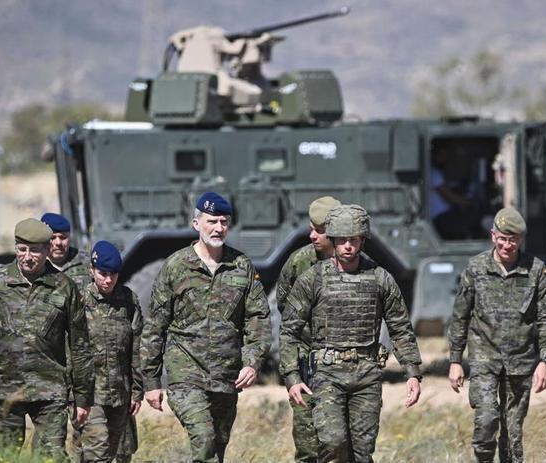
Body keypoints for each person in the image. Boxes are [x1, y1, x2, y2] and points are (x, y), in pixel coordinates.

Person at [280, 204, 423, 462]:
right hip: (327, 374)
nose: (348, 246)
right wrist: (292, 377)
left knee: (362, 451)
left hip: (366, 374)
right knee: (332, 442)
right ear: (333, 240)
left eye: (354, 240)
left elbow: (400, 327)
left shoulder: (380, 278)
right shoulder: (312, 279)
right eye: (342, 240)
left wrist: (412, 372)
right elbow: (289, 329)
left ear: (362, 240)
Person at [141, 192, 271, 463]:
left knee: (218, 448)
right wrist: (151, 382)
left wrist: (252, 363)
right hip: (186, 374)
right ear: (196, 224)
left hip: (226, 376)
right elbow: (155, 326)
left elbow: (257, 318)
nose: (218, 228)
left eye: (224, 222)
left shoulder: (241, 266)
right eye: (212, 221)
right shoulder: (176, 266)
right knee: (204, 439)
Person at [0, 218, 94, 457]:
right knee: (1, 456)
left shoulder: (64, 287)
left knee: (51, 457)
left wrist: (82, 397)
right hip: (2, 390)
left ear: (47, 250)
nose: (27, 257)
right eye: (22, 249)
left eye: (34, 251)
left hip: (50, 391)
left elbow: (80, 345)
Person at [447, 207, 546, 462]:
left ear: (522, 240)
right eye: (502, 238)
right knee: (487, 419)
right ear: (493, 236)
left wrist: (545, 360)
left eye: (513, 239)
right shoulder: (476, 268)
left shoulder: (536, 270)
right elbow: (460, 316)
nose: (507, 245)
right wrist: (455, 360)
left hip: (520, 360)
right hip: (484, 358)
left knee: (513, 432)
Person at [275, 195, 341, 463]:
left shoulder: (361, 265)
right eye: (311, 229)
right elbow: (284, 305)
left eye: (320, 231)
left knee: (343, 445)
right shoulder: (299, 262)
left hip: (344, 366)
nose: (312, 236)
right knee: (308, 446)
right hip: (307, 363)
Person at [71, 241, 144, 463]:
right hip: (89, 395)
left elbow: (137, 348)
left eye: (113, 274)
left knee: (112, 453)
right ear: (91, 270)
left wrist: (137, 390)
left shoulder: (128, 300)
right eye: (103, 273)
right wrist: (73, 395)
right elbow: (69, 348)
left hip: (120, 394)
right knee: (97, 454)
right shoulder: (78, 301)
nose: (108, 280)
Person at [41, 212, 89, 287]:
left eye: (63, 237)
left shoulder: (86, 261)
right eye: (52, 238)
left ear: (70, 238)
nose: (58, 243)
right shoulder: (36, 264)